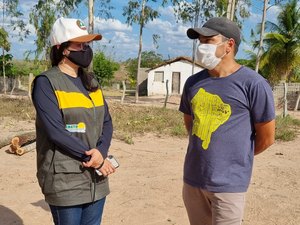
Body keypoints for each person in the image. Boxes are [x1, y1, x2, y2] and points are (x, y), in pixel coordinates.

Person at [179, 17, 275, 225]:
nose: (201, 46)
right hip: (193, 180)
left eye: (208, 40)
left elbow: (267, 137)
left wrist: (235, 158)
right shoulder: (193, 83)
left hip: (229, 186)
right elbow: (191, 125)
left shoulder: (253, 84)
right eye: (200, 41)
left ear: (229, 45)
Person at [32, 17, 115, 225]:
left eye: (86, 44)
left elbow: (107, 122)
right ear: (62, 48)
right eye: (79, 44)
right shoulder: (46, 83)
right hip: (64, 180)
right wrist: (94, 158)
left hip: (96, 178)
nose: (85, 49)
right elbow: (56, 131)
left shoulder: (91, 82)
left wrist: (101, 153)